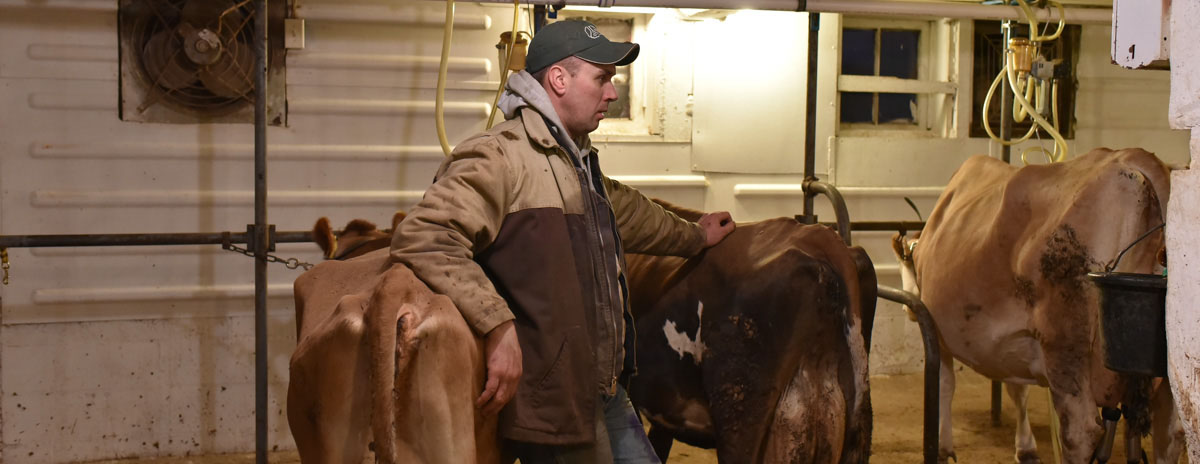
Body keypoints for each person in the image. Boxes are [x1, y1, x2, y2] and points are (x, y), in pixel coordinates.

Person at [390, 19, 735, 463]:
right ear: (558, 79)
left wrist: (696, 235)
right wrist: (497, 325)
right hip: (553, 401)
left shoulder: (575, 159)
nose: (611, 93)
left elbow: (630, 213)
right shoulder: (500, 157)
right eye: (602, 78)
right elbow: (426, 235)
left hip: (603, 388)